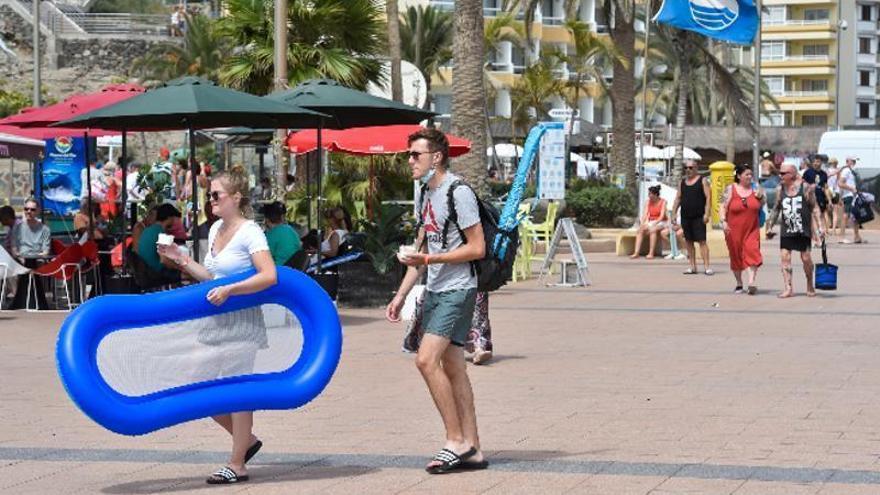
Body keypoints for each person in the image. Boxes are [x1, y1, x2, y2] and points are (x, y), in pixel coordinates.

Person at [158, 165, 276, 484]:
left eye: (215, 194)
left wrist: (231, 289)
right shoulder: (213, 230)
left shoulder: (250, 231)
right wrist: (181, 258)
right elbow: (212, 278)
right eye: (208, 194)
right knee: (198, 382)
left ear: (235, 198)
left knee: (237, 389)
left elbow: (269, 275)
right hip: (216, 319)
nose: (210, 199)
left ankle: (237, 463)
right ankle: (247, 441)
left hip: (242, 318)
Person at [386, 128, 488, 474]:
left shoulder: (458, 193)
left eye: (416, 154)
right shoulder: (425, 194)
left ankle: (455, 440)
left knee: (426, 361)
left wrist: (430, 262)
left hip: (459, 288)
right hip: (436, 288)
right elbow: (425, 248)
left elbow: (477, 248)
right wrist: (401, 294)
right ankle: (473, 448)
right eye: (409, 154)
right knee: (454, 367)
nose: (410, 161)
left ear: (437, 157)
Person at [765, 163, 825, 298]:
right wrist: (770, 226)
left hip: (803, 229)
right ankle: (788, 288)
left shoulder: (805, 188)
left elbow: (814, 207)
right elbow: (776, 208)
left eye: (783, 173)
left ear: (792, 174)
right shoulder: (780, 189)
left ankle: (809, 283)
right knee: (785, 257)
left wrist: (820, 227)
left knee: (806, 258)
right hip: (787, 229)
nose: (780, 176)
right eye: (779, 173)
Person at [720, 165, 764, 294]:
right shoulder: (730, 189)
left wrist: (761, 197)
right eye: (747, 174)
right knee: (736, 255)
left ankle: (751, 283)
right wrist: (723, 222)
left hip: (752, 228)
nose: (750, 177)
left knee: (752, 251)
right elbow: (722, 206)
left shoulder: (756, 188)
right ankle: (739, 283)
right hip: (733, 229)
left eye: (751, 174)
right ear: (739, 176)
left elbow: (762, 205)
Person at [671, 160, 712, 275]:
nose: (688, 170)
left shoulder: (702, 181)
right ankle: (692, 267)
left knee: (702, 241)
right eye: (686, 168)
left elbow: (708, 198)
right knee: (688, 241)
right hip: (686, 216)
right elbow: (678, 198)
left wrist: (706, 213)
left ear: (696, 168)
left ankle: (707, 267)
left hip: (699, 217)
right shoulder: (682, 183)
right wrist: (674, 213)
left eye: (690, 168)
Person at [10, 199, 51, 310]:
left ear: (37, 211)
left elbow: (46, 250)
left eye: (32, 209)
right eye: (26, 209)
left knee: (33, 266)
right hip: (21, 261)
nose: (29, 212)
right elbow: (14, 248)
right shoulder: (17, 228)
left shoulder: (44, 229)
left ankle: (35, 302)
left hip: (38, 261)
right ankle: (22, 302)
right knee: (26, 267)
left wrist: (39, 257)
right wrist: (19, 258)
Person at [136, 203, 182, 274]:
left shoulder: (147, 230)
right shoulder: (161, 233)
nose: (174, 221)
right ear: (169, 218)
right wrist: (180, 268)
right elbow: (164, 260)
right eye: (174, 218)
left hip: (145, 272)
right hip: (156, 273)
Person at [630, 185, 667, 260]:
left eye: (650, 194)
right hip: (651, 221)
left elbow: (662, 216)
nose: (649, 196)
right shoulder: (648, 202)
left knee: (652, 230)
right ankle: (636, 252)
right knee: (640, 230)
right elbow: (645, 214)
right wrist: (643, 223)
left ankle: (651, 253)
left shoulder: (663, 202)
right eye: (648, 194)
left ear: (656, 194)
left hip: (662, 222)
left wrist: (655, 223)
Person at [261, 202, 301, 266]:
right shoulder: (291, 230)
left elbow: (262, 256)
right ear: (282, 217)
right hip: (294, 269)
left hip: (279, 269)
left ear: (266, 219)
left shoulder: (271, 234)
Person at [802, 155, 828, 246]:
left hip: (820, 196)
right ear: (812, 163)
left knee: (820, 216)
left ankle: (820, 236)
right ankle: (815, 238)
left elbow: (825, 187)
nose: (817, 163)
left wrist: (829, 199)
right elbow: (803, 183)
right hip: (810, 197)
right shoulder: (808, 172)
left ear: (821, 163)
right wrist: (807, 191)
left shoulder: (824, 174)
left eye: (818, 161)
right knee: (812, 217)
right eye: (815, 161)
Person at [838, 157, 864, 244]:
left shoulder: (851, 171)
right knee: (846, 216)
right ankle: (842, 237)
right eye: (852, 161)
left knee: (855, 216)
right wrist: (851, 189)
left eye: (855, 161)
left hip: (852, 196)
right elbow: (840, 183)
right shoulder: (846, 171)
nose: (854, 163)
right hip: (849, 196)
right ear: (847, 162)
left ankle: (857, 237)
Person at [826, 158, 841, 235]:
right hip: (836, 191)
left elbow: (825, 180)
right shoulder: (838, 171)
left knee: (826, 212)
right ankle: (834, 230)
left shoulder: (826, 171)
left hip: (828, 191)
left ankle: (827, 229)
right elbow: (839, 181)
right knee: (835, 212)